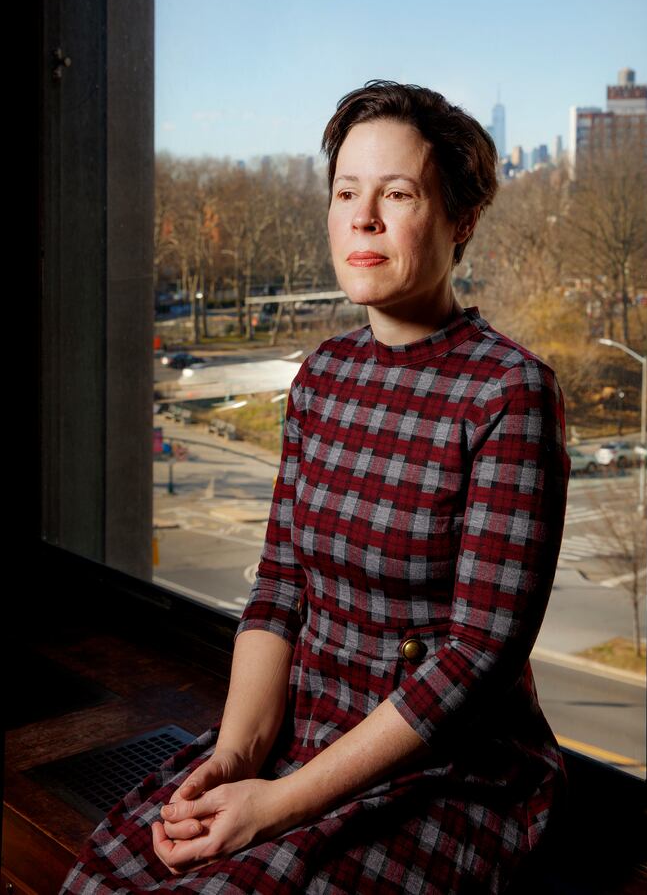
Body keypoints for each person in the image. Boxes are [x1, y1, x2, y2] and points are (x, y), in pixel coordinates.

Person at [60, 81, 570, 893]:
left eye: (396, 193)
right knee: (107, 876)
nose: (363, 218)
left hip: (440, 771)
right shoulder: (323, 376)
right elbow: (279, 588)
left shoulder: (510, 394)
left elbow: (476, 659)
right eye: (346, 192)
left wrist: (275, 808)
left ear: (460, 220)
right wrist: (233, 758)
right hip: (295, 739)